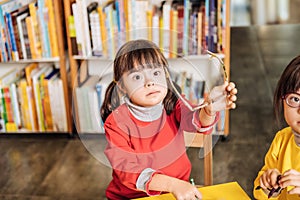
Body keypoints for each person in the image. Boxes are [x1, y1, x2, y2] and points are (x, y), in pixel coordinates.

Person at [101, 39, 238, 200]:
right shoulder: (116, 123)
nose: (150, 82)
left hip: (176, 193)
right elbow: (127, 171)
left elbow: (198, 123)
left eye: (156, 73)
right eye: (137, 77)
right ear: (122, 86)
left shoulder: (174, 104)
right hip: (132, 196)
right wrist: (172, 184)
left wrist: (209, 109)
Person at [253, 55, 300, 200]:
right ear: (283, 100)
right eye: (296, 99)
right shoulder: (282, 139)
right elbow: (259, 191)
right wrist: (268, 184)